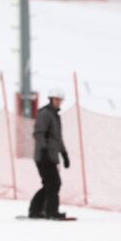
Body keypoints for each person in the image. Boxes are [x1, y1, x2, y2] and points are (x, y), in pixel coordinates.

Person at [28, 88, 70, 219]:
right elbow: (38, 133)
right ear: (51, 99)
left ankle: (36, 210)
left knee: (50, 184)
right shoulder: (45, 114)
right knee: (54, 183)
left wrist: (64, 154)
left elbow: (57, 138)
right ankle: (51, 211)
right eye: (56, 100)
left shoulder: (55, 115)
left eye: (60, 100)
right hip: (44, 156)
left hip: (51, 156)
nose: (58, 102)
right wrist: (43, 150)